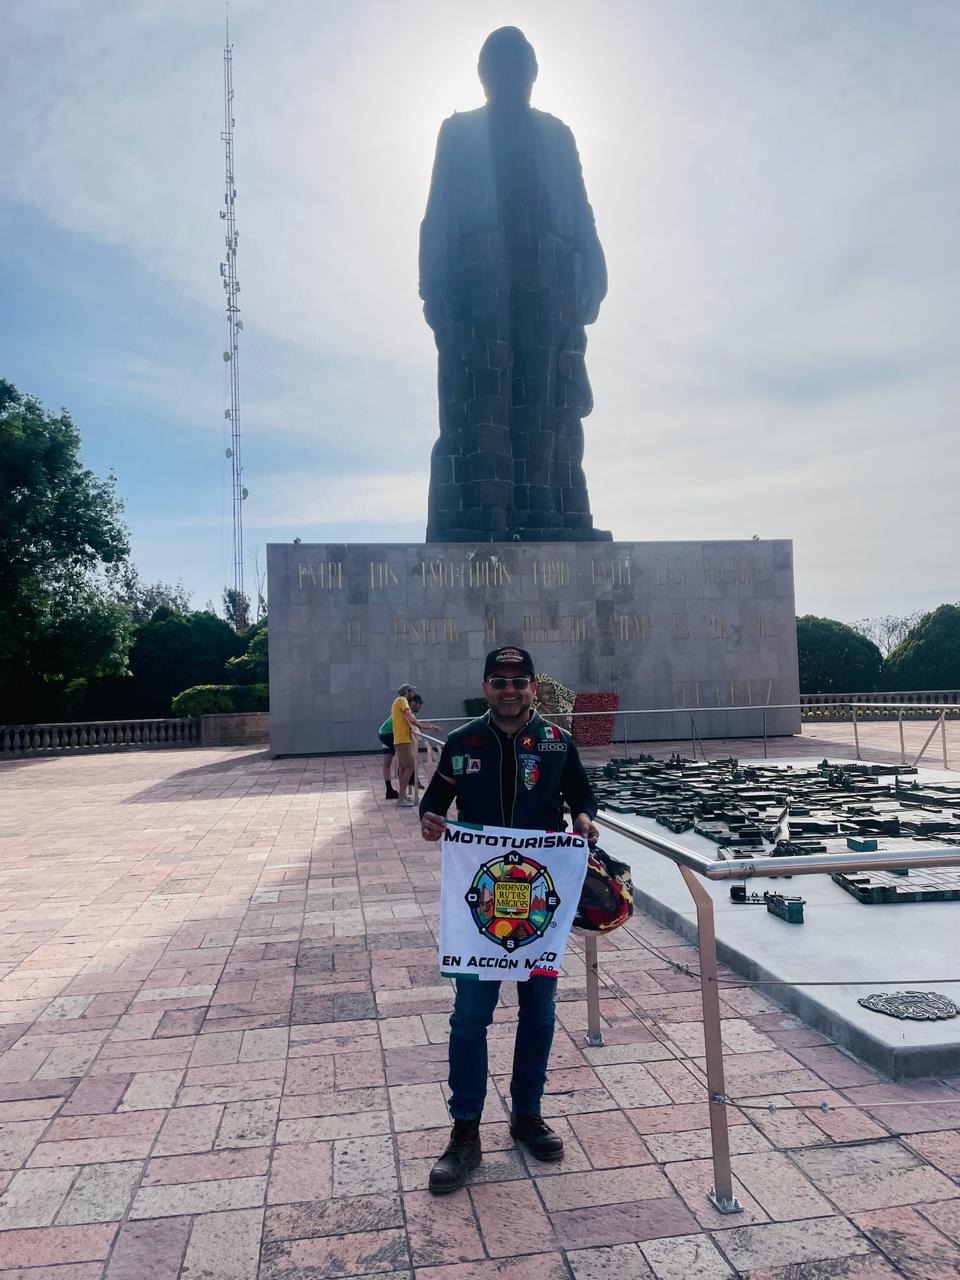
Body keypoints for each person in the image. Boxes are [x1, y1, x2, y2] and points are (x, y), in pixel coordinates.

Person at [419, 645, 599, 1193]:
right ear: (486, 686)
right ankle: (465, 1131)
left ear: (533, 687)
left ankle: (527, 1115)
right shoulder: (462, 743)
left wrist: (585, 820)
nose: (510, 690)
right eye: (499, 681)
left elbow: (581, 795)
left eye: (519, 682)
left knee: (539, 1011)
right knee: (470, 1016)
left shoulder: (555, 742)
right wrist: (430, 821)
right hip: (481, 909)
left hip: (537, 907)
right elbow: (435, 802)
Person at [419, 26, 609, 542]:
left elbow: (582, 210)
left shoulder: (557, 135)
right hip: (479, 286)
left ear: (532, 73)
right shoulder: (458, 134)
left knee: (548, 403)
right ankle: (484, 515)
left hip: (549, 281)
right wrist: (433, 287)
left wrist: (594, 264)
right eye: (500, 67)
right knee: (482, 400)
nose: (511, 76)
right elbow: (436, 215)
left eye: (520, 66)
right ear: (484, 77)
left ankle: (548, 515)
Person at [391, 684, 441, 806]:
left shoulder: (398, 701)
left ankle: (402, 797)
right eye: (411, 691)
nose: (413, 694)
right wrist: (425, 727)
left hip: (401, 739)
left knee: (404, 768)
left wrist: (428, 725)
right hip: (403, 740)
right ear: (407, 692)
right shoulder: (402, 700)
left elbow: (410, 720)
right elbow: (412, 720)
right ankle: (401, 799)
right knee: (410, 767)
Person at [379, 694, 434, 799]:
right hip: (389, 734)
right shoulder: (405, 708)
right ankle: (407, 787)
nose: (420, 707)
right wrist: (426, 726)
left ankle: (392, 790)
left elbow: (414, 724)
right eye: (419, 704)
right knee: (407, 763)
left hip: (386, 733)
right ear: (413, 702)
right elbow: (413, 722)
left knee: (396, 763)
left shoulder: (405, 710)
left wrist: (426, 726)